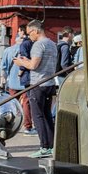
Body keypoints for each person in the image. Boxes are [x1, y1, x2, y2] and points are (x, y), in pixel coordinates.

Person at [15, 20, 59, 157]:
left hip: (37, 84)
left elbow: (34, 66)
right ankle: (52, 145)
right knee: (46, 115)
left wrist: (21, 62)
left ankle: (44, 146)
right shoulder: (52, 44)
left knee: (38, 116)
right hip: (49, 82)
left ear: (36, 31)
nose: (29, 37)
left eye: (29, 33)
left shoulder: (38, 45)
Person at [2, 32, 34, 131]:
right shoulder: (29, 49)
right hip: (25, 81)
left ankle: (9, 124)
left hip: (12, 82)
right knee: (26, 103)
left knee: (12, 103)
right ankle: (27, 126)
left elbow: (4, 66)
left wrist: (5, 77)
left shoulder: (8, 50)